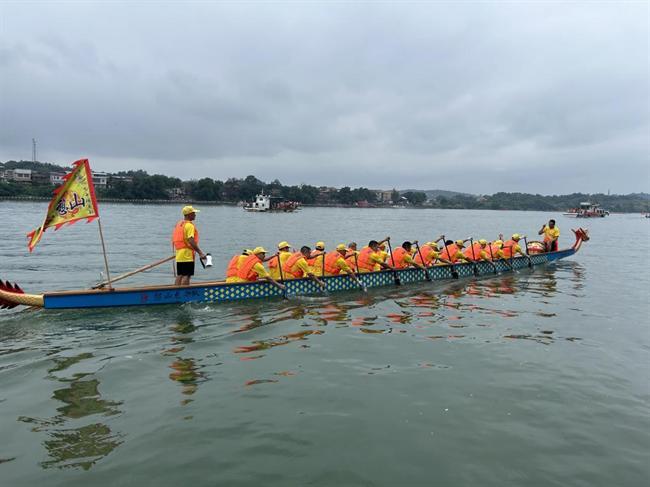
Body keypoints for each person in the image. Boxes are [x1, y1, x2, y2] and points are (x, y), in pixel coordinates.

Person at [172, 206, 206, 286]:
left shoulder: (179, 224)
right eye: (193, 213)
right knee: (186, 275)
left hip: (179, 253)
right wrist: (200, 253)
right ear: (189, 214)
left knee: (180, 275)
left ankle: (176, 293)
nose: (195, 215)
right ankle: (185, 294)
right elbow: (191, 240)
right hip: (187, 254)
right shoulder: (189, 226)